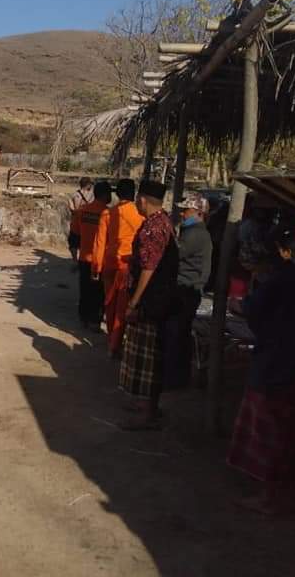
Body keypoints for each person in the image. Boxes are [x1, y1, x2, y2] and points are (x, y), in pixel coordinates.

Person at [228, 225, 295, 515]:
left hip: (276, 364)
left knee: (270, 431)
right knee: (288, 428)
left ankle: (270, 496)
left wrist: (240, 306)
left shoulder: (275, 282)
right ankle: (284, 489)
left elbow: (254, 313)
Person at [118, 180, 178, 430]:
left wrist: (134, 302)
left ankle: (146, 412)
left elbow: (149, 268)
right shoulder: (164, 222)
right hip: (159, 299)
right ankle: (147, 406)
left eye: (138, 200)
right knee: (149, 355)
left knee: (145, 358)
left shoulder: (153, 228)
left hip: (150, 302)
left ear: (142, 200)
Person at [162, 193, 213, 390]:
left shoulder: (195, 234)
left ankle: (173, 378)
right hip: (187, 288)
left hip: (186, 289)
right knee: (179, 335)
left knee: (175, 335)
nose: (183, 214)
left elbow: (174, 254)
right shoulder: (194, 232)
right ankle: (177, 377)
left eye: (186, 210)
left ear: (199, 213)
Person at [92, 178, 143, 356]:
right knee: (122, 306)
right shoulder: (140, 215)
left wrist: (96, 267)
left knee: (110, 303)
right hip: (127, 265)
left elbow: (100, 242)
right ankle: (115, 344)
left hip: (109, 263)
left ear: (117, 194)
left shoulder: (108, 214)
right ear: (134, 194)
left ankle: (111, 340)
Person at [71, 181, 111, 330]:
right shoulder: (109, 214)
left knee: (85, 289)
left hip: (84, 259)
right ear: (105, 195)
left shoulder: (82, 211)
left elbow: (74, 236)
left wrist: (74, 258)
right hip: (101, 260)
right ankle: (95, 321)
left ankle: (83, 318)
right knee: (99, 292)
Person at [67, 177, 94, 261]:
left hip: (75, 222)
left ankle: (75, 260)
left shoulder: (74, 194)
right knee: (85, 242)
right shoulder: (91, 196)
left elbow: (71, 208)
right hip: (86, 222)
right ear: (88, 185)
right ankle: (84, 259)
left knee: (73, 243)